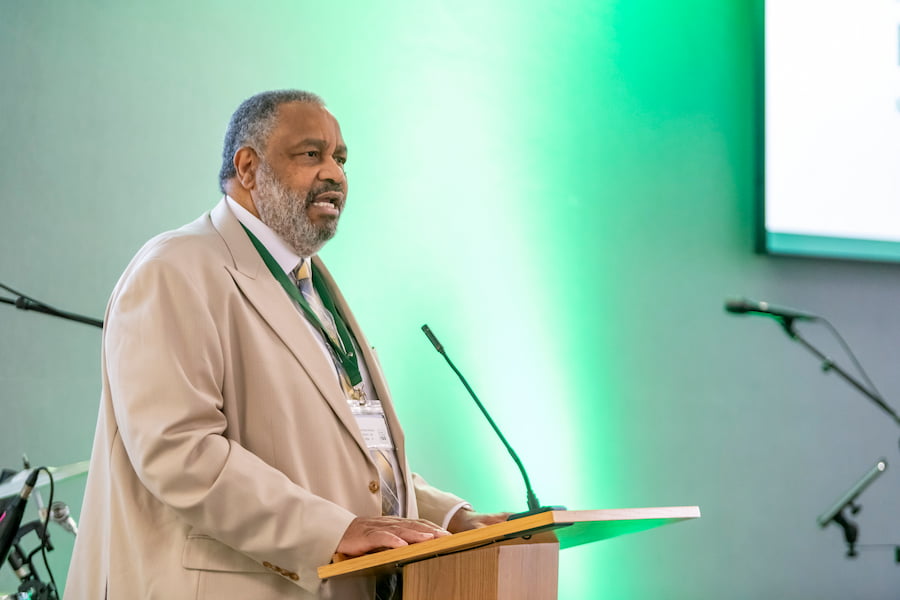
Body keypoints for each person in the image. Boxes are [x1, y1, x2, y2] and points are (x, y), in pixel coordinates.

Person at [65, 90, 506, 600]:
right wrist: (334, 532)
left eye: (341, 159)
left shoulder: (310, 282)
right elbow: (179, 452)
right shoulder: (175, 268)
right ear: (248, 168)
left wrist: (443, 518)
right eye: (311, 154)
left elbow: (345, 450)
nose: (335, 174)